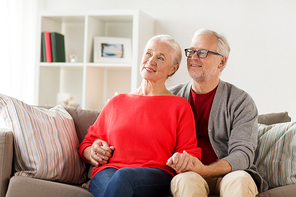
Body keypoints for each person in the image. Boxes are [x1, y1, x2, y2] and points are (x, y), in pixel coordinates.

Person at [78, 34, 201, 197]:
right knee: (117, 182)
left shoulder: (179, 106)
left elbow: (189, 155)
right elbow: (87, 143)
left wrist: (181, 159)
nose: (151, 61)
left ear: (173, 68)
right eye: (148, 53)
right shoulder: (116, 101)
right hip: (108, 172)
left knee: (124, 177)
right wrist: (92, 150)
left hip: (155, 174)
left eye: (161, 58)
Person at [166, 28, 269, 197]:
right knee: (185, 181)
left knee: (240, 180)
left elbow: (242, 155)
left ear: (221, 62)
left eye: (203, 53)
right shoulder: (170, 97)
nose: (193, 57)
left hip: (229, 174)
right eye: (191, 51)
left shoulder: (240, 101)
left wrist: (205, 170)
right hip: (188, 174)